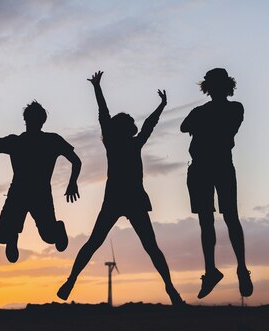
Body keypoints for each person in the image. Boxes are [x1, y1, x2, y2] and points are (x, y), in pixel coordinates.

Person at [57, 71, 183, 305]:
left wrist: (161, 106)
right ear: (125, 128)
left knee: (104, 243)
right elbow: (111, 116)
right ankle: (171, 289)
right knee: (145, 247)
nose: (133, 126)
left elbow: (142, 123)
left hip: (122, 199)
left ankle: (71, 281)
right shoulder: (124, 143)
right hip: (124, 199)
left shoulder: (120, 143)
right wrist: (97, 88)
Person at [180, 68, 253, 299]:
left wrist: (202, 126)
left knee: (227, 218)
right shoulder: (215, 110)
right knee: (209, 220)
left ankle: (240, 268)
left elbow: (192, 126)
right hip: (204, 167)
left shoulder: (233, 108)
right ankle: (212, 271)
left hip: (217, 165)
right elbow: (184, 126)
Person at [0, 94, 81, 263]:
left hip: (38, 195)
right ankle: (13, 236)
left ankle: (56, 227)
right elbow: (76, 161)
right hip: (20, 194)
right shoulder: (22, 141)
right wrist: (72, 183)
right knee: (2, 236)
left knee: (49, 237)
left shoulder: (49, 140)